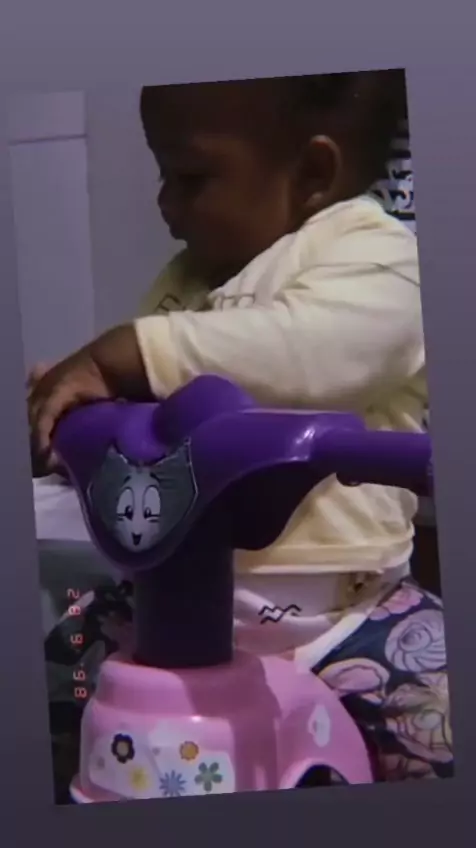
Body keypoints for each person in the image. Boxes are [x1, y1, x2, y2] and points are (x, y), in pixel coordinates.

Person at [30, 70, 451, 788]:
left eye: (191, 178)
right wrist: (74, 416)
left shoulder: (378, 258)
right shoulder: (185, 282)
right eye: (163, 176)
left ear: (312, 173)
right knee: (58, 671)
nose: (166, 204)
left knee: (440, 724)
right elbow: (152, 417)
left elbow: (307, 354)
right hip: (166, 606)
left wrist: (125, 354)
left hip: (348, 614)